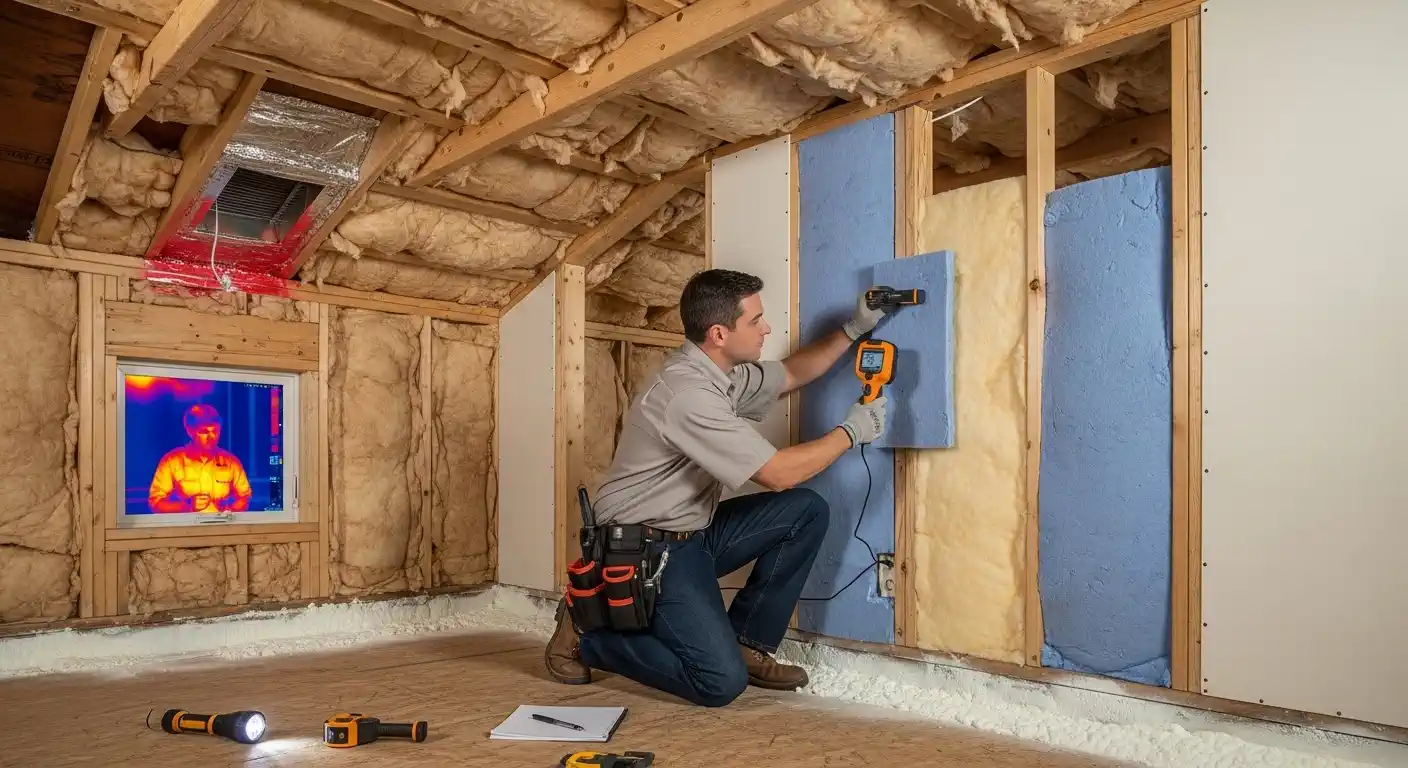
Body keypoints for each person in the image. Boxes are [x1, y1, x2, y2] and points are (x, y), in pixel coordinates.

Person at [545, 268, 891, 707]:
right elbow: (778, 473)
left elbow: (790, 374)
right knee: (718, 683)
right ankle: (585, 633)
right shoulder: (688, 395)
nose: (767, 327)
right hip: (643, 552)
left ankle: (747, 642)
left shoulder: (720, 374)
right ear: (718, 333)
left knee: (805, 511)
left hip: (692, 535)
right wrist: (851, 431)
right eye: (755, 321)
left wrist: (854, 329)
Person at [148, 403, 253, 513]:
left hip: (222, 528)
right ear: (190, 431)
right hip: (186, 527)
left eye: (215, 431)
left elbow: (245, 496)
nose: (211, 437)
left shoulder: (231, 462)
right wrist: (187, 506)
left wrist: (230, 509)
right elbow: (155, 502)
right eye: (204, 432)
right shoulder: (171, 461)